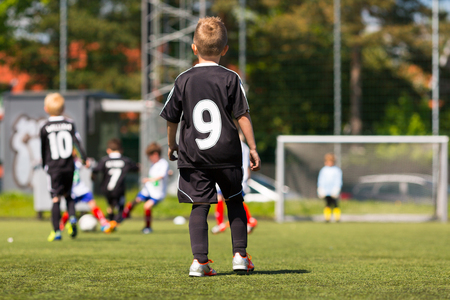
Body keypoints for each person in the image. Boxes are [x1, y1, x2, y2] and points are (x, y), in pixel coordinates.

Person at [160, 16, 261, 277]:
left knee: (200, 206)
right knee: (235, 200)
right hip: (227, 153)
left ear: (194, 47)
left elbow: (172, 117)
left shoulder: (183, 79)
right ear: (225, 49)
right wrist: (252, 147)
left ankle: (200, 262)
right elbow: (243, 115)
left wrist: (172, 145)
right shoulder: (231, 78)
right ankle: (240, 256)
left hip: (194, 155)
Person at [40, 92, 87, 241]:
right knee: (68, 195)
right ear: (63, 108)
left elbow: (43, 149)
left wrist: (44, 165)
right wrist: (84, 159)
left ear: (46, 108)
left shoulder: (45, 127)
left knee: (55, 198)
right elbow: (77, 143)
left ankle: (56, 232)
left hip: (54, 168)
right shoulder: (70, 124)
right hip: (68, 167)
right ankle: (72, 217)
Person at [212, 130, 258, 235]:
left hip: (231, 176)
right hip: (241, 177)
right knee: (235, 200)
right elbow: (247, 166)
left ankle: (221, 224)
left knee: (224, 198)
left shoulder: (233, 146)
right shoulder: (245, 147)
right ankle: (249, 221)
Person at [122, 142, 170, 234]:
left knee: (147, 206)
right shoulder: (154, 164)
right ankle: (123, 216)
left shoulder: (163, 163)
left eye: (150, 156)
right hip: (148, 190)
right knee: (135, 201)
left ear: (155, 154)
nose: (149, 159)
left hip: (157, 193)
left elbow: (161, 176)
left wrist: (149, 179)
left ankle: (148, 227)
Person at [60, 154, 115, 234]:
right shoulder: (75, 162)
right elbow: (86, 163)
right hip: (75, 189)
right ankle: (62, 226)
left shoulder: (69, 163)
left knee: (90, 205)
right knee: (70, 209)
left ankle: (104, 223)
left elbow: (86, 163)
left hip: (79, 188)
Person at [92, 138, 139, 228]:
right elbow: (135, 168)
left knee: (111, 205)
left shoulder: (104, 160)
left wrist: (93, 177)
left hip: (106, 188)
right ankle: (114, 223)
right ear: (121, 150)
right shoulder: (125, 160)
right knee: (120, 207)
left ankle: (110, 219)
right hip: (119, 189)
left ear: (108, 150)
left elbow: (96, 170)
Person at [317, 153, 343, 222]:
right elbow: (321, 180)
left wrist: (337, 189)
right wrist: (320, 188)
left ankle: (337, 218)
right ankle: (327, 218)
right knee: (327, 204)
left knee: (335, 204)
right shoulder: (323, 170)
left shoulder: (336, 170)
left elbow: (338, 180)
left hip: (333, 191)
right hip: (326, 191)